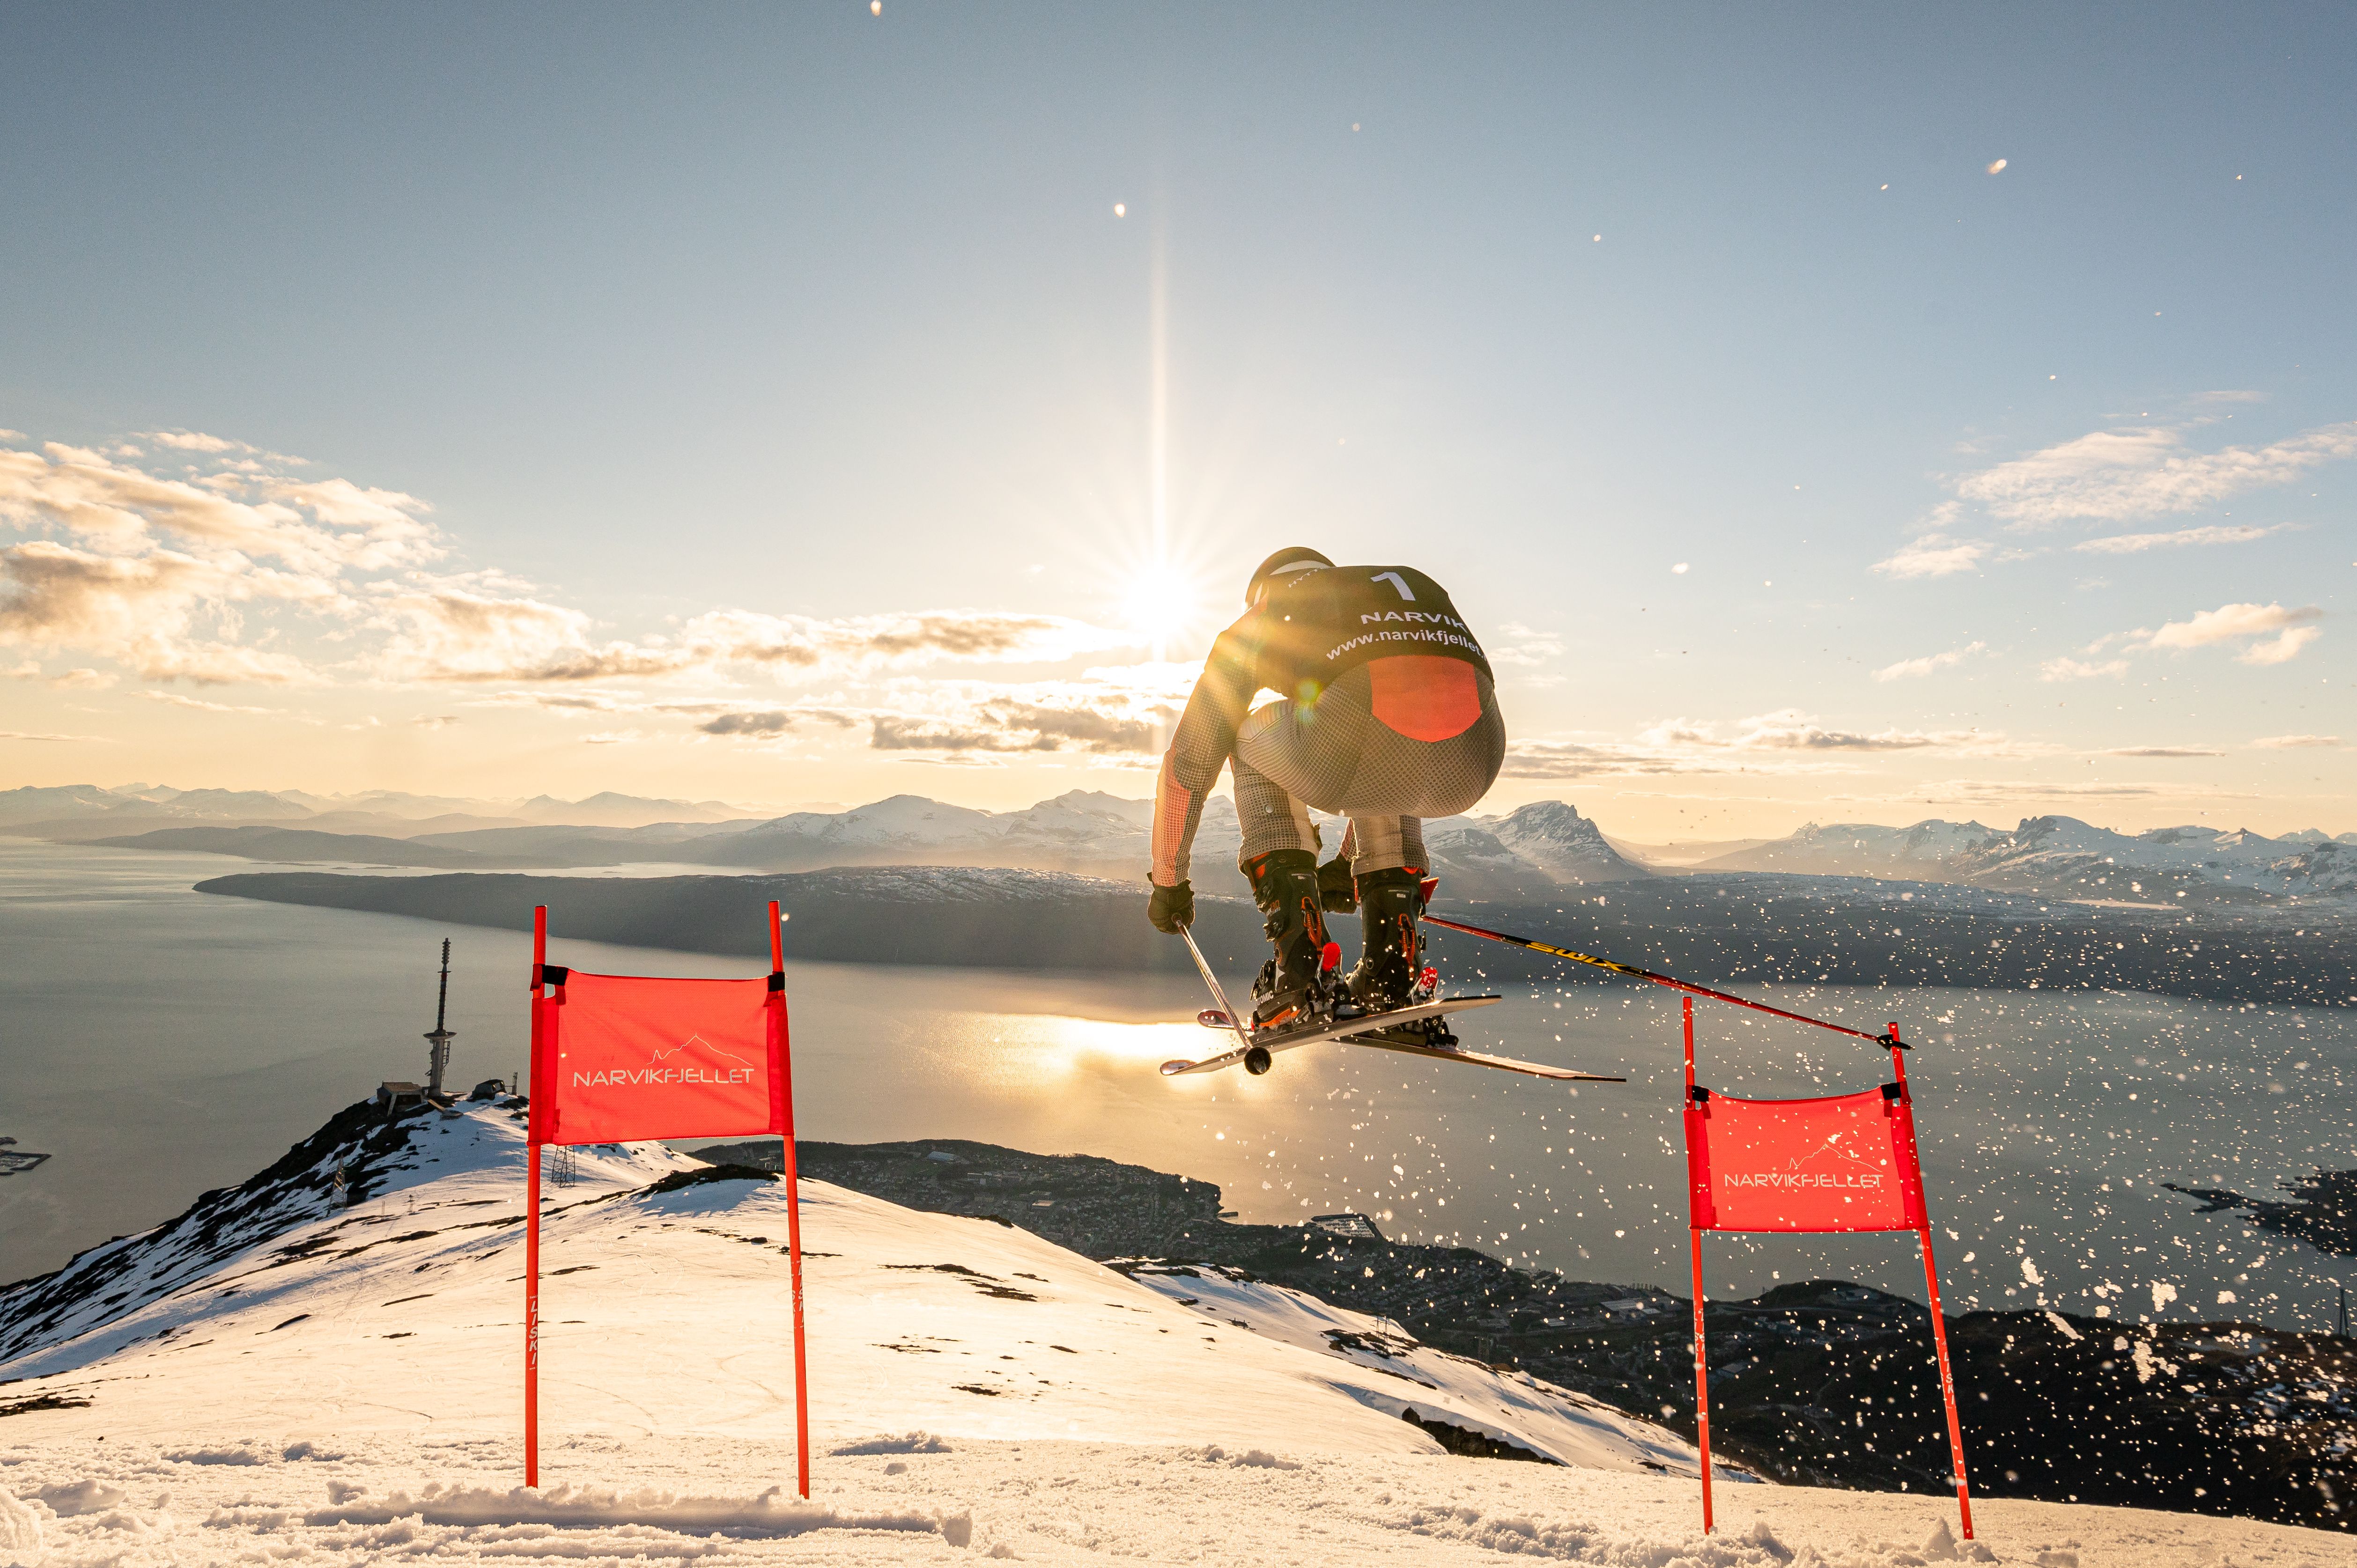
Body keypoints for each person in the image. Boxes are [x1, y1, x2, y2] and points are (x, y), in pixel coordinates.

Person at [1145, 547, 1505, 1029]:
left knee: (1246, 737)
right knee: (1376, 713)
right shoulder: (1402, 591)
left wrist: (1169, 881)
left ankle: (1299, 965)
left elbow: (1187, 764)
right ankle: (1392, 971)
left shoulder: (1266, 615)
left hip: (1362, 739)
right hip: (1476, 760)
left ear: (1261, 593)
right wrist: (1349, 866)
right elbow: (1399, 735)